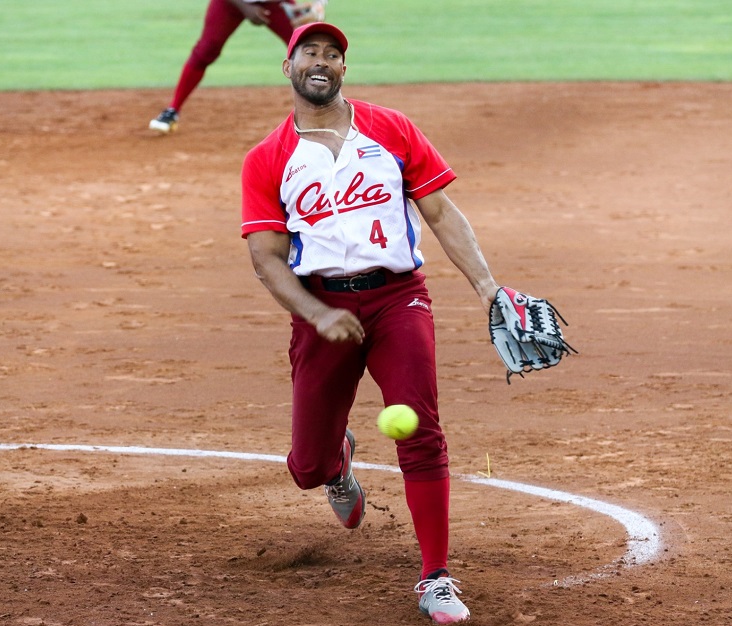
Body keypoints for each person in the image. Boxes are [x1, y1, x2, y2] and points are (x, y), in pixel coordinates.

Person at [240, 22, 499, 624]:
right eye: (310, 52)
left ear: (343, 69)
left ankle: (435, 577)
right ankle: (336, 464)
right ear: (290, 66)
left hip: (398, 298)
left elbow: (440, 209)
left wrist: (486, 286)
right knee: (306, 467)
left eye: (333, 53)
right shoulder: (268, 158)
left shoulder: (391, 130)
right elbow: (265, 258)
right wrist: (315, 312)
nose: (322, 61)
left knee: (421, 433)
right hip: (320, 308)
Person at [149, 0, 318, 134]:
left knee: (305, 47)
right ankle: (172, 110)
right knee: (206, 50)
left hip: (275, 3)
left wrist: (318, 4)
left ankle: (324, 112)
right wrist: (246, 8)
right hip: (231, 3)